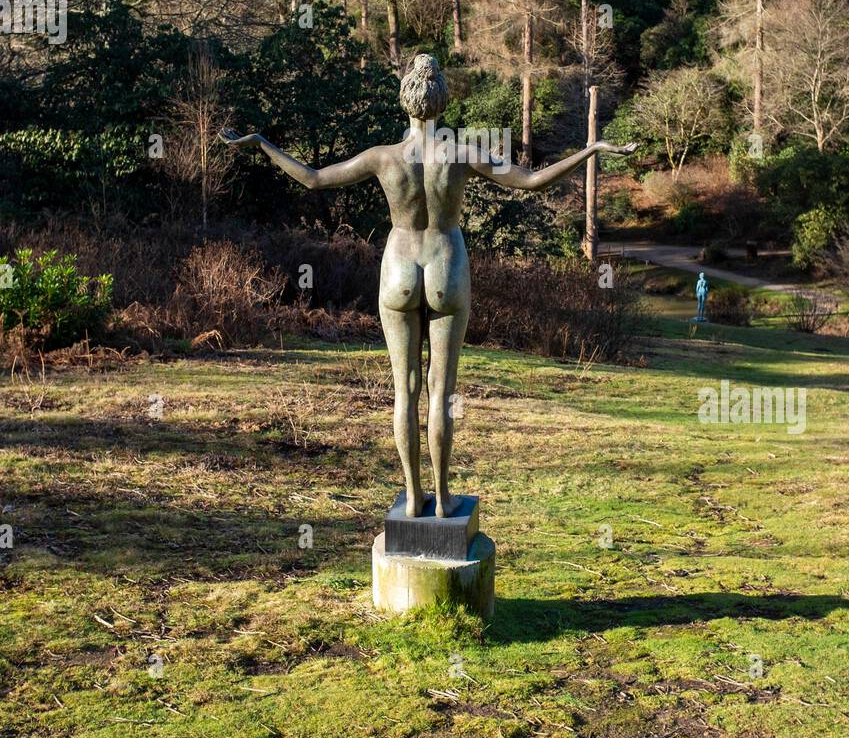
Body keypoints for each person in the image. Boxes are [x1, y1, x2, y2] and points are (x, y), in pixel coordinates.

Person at [221, 54, 636, 517]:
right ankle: (442, 499)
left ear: (405, 100)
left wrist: (261, 142)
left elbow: (315, 179)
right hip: (446, 266)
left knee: (406, 390)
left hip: (398, 268)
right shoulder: (459, 151)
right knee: (442, 391)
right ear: (441, 99)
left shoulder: (384, 157)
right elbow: (532, 181)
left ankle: (414, 496)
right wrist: (590, 149)